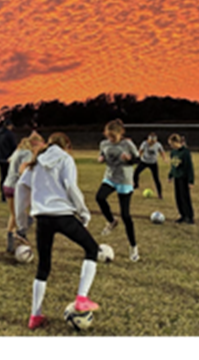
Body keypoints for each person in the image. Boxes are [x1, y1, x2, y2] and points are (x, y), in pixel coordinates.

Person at [14, 132, 101, 329]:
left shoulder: (35, 162)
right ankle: (82, 297)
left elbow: (21, 187)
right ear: (67, 146)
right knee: (92, 249)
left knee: (43, 267)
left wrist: (22, 221)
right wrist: (83, 211)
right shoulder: (66, 159)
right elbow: (71, 186)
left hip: (42, 218)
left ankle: (35, 316)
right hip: (63, 216)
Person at [95, 120, 142, 262]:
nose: (111, 139)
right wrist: (101, 158)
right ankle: (111, 221)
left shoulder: (127, 144)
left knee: (126, 216)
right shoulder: (104, 144)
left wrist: (129, 160)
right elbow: (102, 154)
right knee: (100, 197)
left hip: (125, 180)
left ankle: (133, 247)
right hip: (110, 177)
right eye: (108, 136)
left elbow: (138, 160)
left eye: (113, 136)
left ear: (120, 133)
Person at [4, 132, 43, 255]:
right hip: (17, 187)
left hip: (7, 185)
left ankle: (10, 246)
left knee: (14, 216)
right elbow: (23, 169)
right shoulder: (28, 153)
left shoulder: (17, 151)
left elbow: (9, 160)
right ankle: (21, 232)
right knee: (35, 210)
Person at [168, 133, 196, 225]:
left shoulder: (185, 152)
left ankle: (189, 216)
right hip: (177, 177)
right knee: (178, 197)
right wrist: (170, 175)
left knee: (185, 197)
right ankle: (182, 215)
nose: (171, 146)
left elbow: (189, 167)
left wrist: (190, 181)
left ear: (176, 142)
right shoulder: (173, 153)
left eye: (172, 144)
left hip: (184, 178)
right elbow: (173, 165)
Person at [134, 133, 166, 200]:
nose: (152, 142)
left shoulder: (158, 145)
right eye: (151, 141)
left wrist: (164, 158)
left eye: (153, 141)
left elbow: (162, 152)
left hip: (153, 163)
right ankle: (136, 184)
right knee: (135, 173)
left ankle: (160, 194)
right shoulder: (144, 144)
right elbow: (140, 151)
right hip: (144, 162)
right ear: (148, 140)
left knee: (156, 179)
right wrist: (137, 157)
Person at [0, 120, 19, 202]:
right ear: (9, 126)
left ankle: (3, 196)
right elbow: (14, 147)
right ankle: (11, 195)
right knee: (11, 177)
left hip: (0, 159)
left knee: (3, 177)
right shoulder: (9, 134)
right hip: (9, 159)